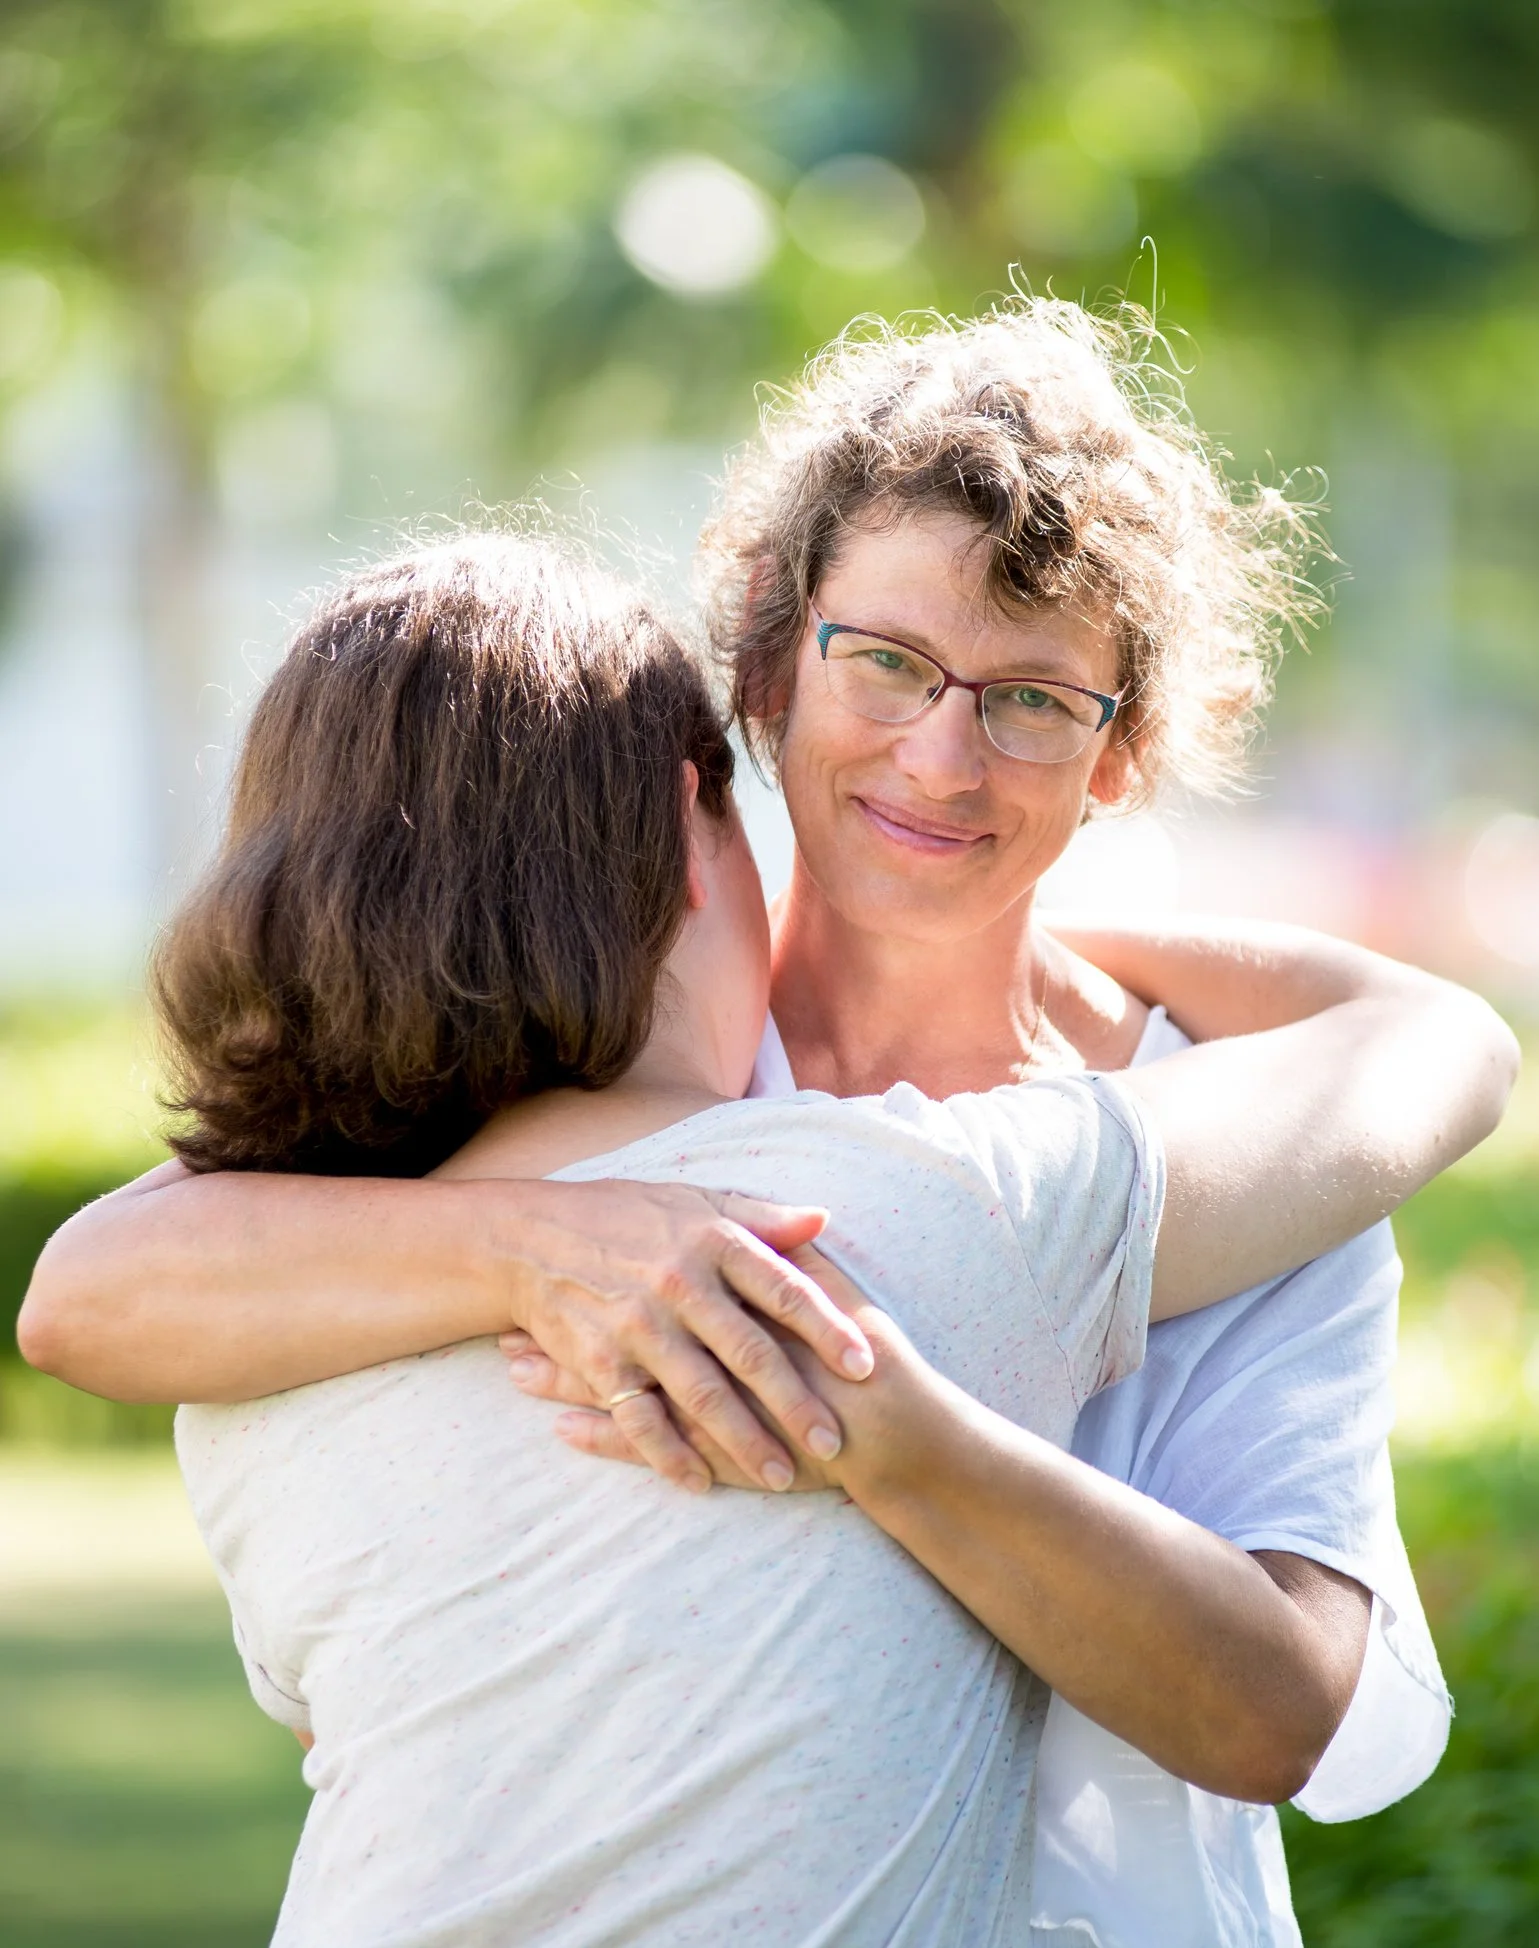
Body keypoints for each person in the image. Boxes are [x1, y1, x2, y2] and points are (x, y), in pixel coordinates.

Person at [19, 301, 1519, 1937]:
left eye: (1033, 701)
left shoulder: (1247, 1133)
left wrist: (879, 1423)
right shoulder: (572, 1083)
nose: (942, 756)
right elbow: (109, 1283)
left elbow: (1279, 1702)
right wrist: (545, 1247)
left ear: (1122, 752)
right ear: (764, 664)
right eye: (885, 661)